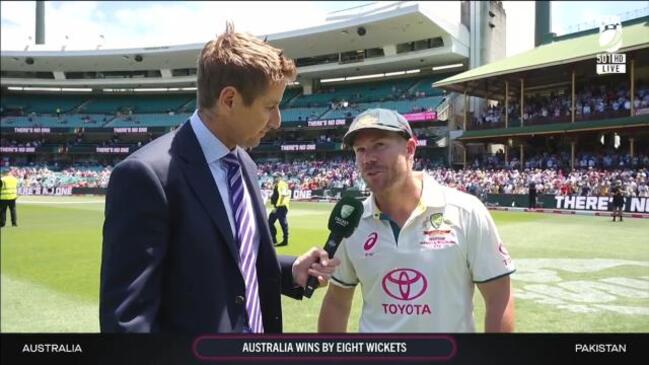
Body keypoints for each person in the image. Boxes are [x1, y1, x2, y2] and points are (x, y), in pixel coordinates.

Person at [100, 22, 339, 334]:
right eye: (270, 106)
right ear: (229, 100)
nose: (277, 121)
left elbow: (228, 264)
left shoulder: (246, 165)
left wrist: (290, 270)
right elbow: (128, 320)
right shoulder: (145, 176)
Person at [318, 108, 515, 333]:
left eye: (379, 145)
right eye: (360, 150)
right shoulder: (352, 223)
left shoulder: (466, 212)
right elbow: (337, 301)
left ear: (410, 149)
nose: (368, 158)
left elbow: (499, 296)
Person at [268, 173, 290, 247]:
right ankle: (273, 239)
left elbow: (283, 195)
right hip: (278, 207)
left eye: (276, 177)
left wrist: (276, 207)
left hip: (281, 207)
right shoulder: (277, 184)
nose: (274, 178)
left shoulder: (282, 184)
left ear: (280, 177)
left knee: (283, 223)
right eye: (274, 177)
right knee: (270, 222)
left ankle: (285, 240)